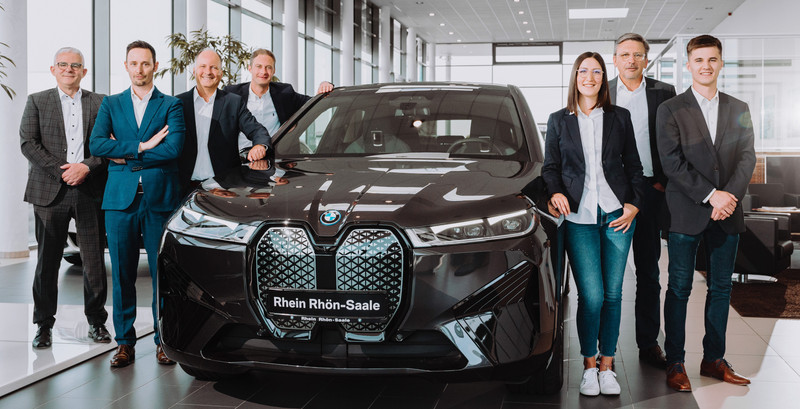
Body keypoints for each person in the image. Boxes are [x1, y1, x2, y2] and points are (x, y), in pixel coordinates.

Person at [542, 52, 646, 397]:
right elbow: (550, 167)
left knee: (614, 294)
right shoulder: (558, 120)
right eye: (584, 71)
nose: (590, 77)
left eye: (597, 72)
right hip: (578, 217)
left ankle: (607, 365)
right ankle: (589, 365)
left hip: (617, 214)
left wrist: (634, 204)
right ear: (575, 77)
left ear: (604, 78)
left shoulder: (619, 117)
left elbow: (633, 165)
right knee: (592, 295)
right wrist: (556, 192)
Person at [656, 34, 755, 392]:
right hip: (686, 212)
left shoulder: (738, 107)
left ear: (721, 63)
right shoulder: (671, 109)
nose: (706, 66)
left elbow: (747, 157)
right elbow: (671, 162)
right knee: (679, 288)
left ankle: (714, 359)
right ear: (688, 65)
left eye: (712, 59)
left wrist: (728, 198)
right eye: (699, 60)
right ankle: (675, 362)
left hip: (728, 213)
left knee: (721, 289)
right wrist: (712, 196)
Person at [89, 40, 186, 368]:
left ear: (155, 66)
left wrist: (124, 153)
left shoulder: (171, 105)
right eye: (134, 63)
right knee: (122, 274)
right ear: (126, 66)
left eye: (145, 63)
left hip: (160, 200)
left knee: (162, 275)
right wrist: (143, 146)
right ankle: (124, 343)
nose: (140, 69)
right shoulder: (111, 104)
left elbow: (173, 149)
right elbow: (97, 144)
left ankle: (163, 341)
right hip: (120, 202)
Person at [20, 47, 110, 348]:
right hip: (50, 191)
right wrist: (63, 171)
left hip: (89, 189)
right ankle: (43, 325)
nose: (69, 69)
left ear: (84, 71)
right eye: (63, 64)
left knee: (94, 261)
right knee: (47, 262)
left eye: (75, 65)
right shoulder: (37, 101)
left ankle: (97, 322)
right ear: (53, 69)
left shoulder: (101, 103)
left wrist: (86, 167)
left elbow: (109, 144)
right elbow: (28, 143)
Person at [609, 32, 677, 368]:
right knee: (608, 276)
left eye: (637, 54)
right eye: (625, 54)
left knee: (649, 271)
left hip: (651, 191)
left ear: (646, 60)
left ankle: (648, 343)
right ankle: (603, 346)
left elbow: (673, 139)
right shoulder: (602, 91)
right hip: (611, 194)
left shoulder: (664, 93)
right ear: (615, 59)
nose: (631, 60)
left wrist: (663, 180)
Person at [176, 49, 270, 194]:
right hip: (183, 187)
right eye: (203, 66)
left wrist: (259, 145)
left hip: (223, 188)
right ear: (194, 71)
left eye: (214, 67)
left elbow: (257, 130)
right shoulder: (178, 103)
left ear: (220, 73)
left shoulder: (233, 102)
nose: (208, 72)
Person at [223, 49, 333, 149]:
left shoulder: (285, 93)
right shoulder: (232, 94)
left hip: (276, 157)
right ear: (250, 68)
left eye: (268, 67)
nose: (263, 72)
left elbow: (314, 103)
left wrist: (325, 85)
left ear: (274, 71)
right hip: (240, 157)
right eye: (259, 66)